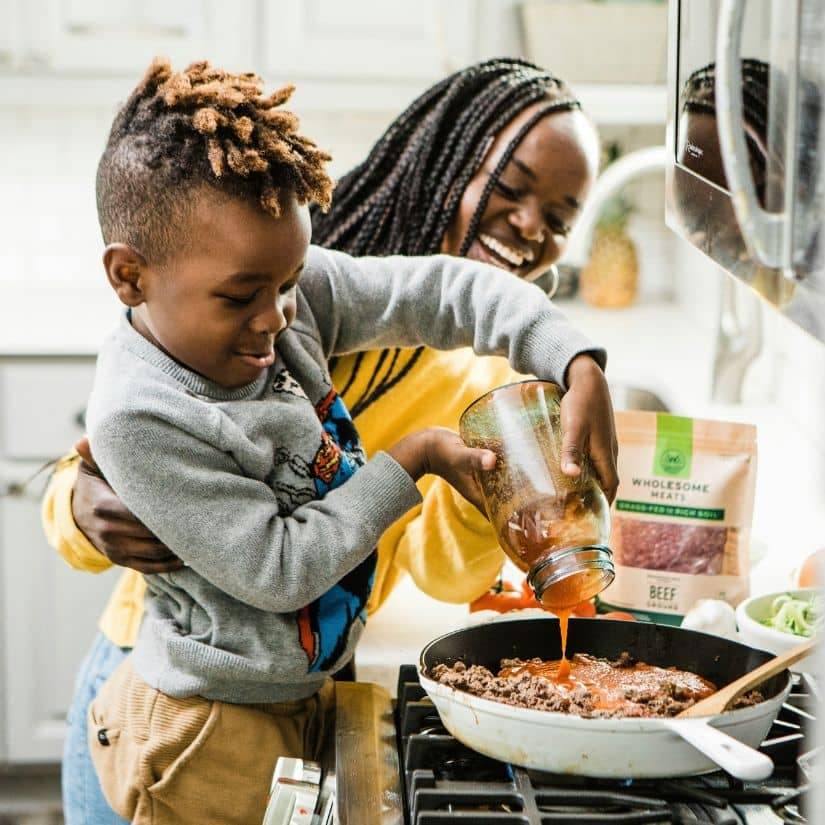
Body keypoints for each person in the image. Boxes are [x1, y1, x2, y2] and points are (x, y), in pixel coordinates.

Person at [42, 58, 616, 823]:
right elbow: (276, 568)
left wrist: (572, 356)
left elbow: (443, 290)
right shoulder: (188, 335)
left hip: (304, 683)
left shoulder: (281, 274)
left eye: (558, 217)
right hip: (198, 718)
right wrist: (413, 456)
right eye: (509, 191)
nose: (279, 320)